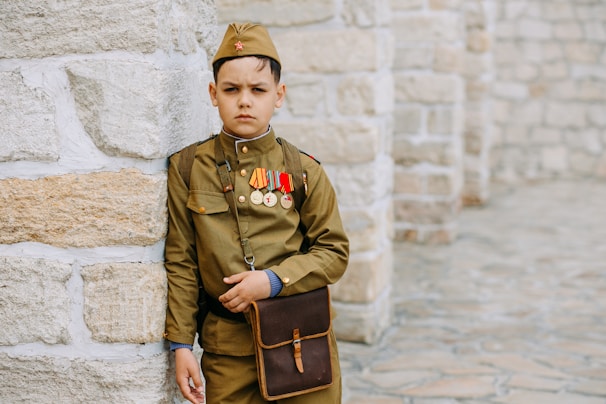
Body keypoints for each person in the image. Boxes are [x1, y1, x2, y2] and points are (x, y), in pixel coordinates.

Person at [163, 22, 349, 404]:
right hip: (228, 353)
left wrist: (273, 281)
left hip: (301, 345)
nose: (244, 101)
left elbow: (334, 253)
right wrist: (181, 344)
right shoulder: (187, 168)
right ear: (214, 94)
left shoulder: (303, 171)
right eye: (232, 90)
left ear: (278, 95)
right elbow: (181, 262)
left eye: (258, 90)